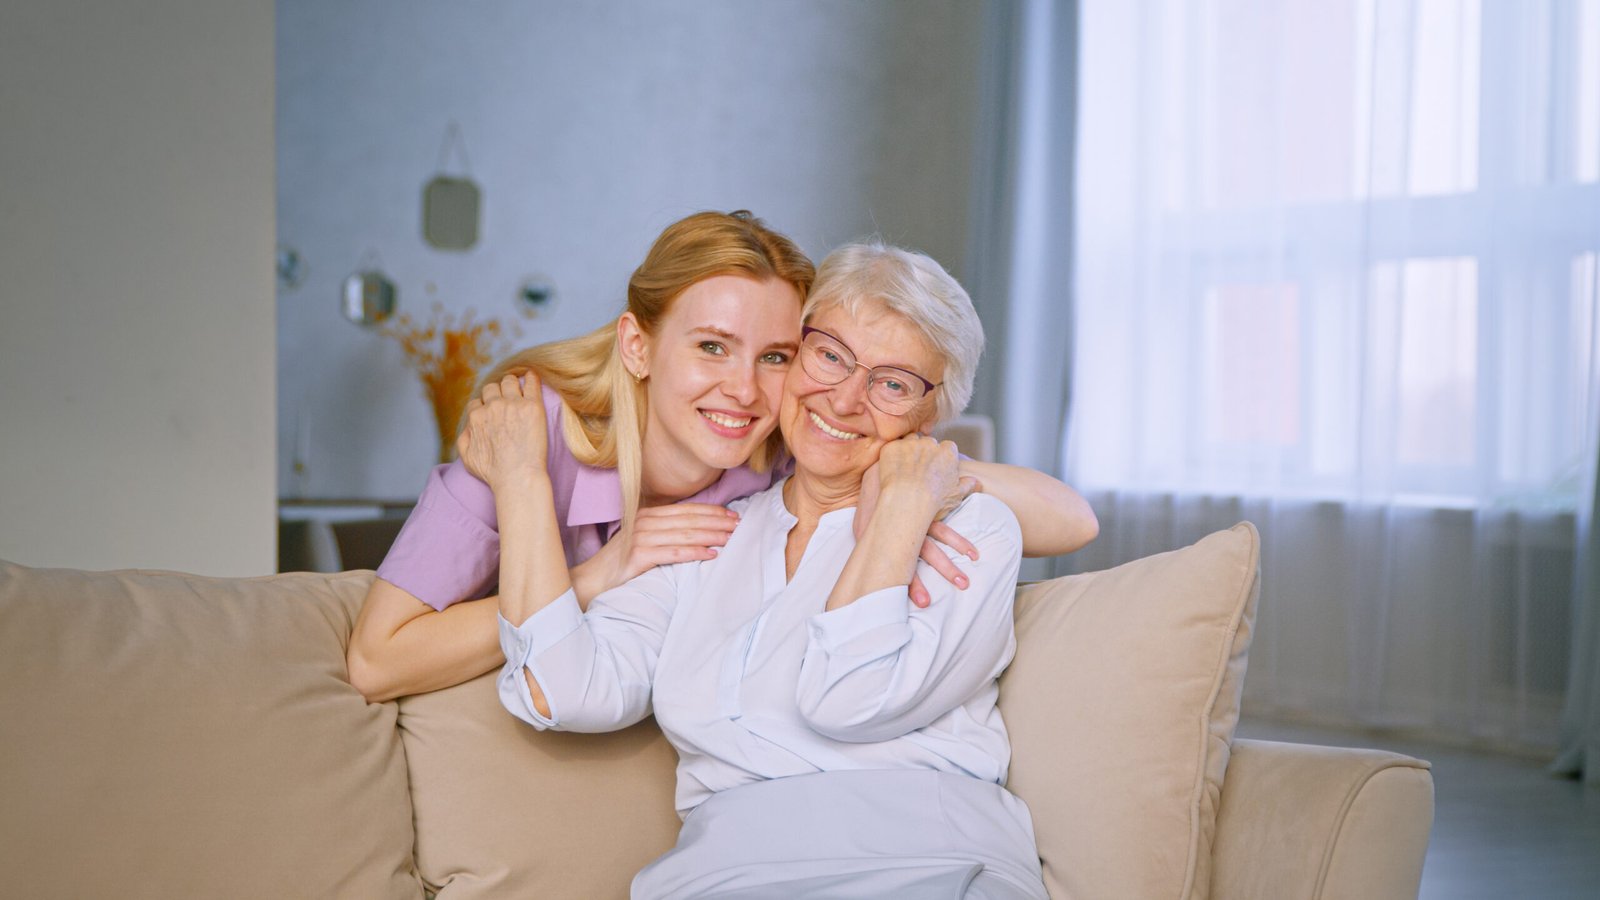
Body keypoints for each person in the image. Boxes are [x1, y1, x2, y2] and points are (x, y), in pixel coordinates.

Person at [482, 242, 1068, 898]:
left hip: (932, 864)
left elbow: (846, 699)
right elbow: (556, 690)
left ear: (930, 416)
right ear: (793, 357)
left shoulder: (972, 531)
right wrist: (522, 483)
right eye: (829, 356)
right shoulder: (709, 534)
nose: (846, 400)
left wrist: (902, 510)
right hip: (724, 878)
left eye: (893, 383)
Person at [347, 211, 1097, 704]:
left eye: (774, 355)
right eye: (711, 346)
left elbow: (1072, 521)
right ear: (637, 345)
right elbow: (378, 662)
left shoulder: (781, 448)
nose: (742, 390)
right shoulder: (524, 437)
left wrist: (920, 472)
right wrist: (596, 574)